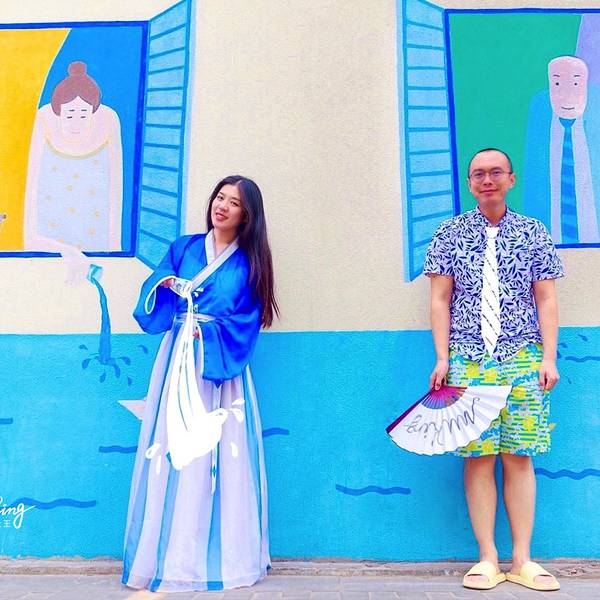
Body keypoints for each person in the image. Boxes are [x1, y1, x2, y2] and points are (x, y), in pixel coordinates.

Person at [123, 176, 277, 592]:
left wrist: (205, 334)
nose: (222, 206)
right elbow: (154, 292)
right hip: (177, 362)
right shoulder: (184, 248)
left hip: (220, 367)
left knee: (224, 455)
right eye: (219, 198)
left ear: (248, 215)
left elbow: (247, 321)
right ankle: (169, 556)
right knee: (173, 449)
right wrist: (164, 286)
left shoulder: (250, 264)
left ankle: (227, 557)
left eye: (234, 203)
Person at [424, 149, 563, 592]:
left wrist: (548, 357)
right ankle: (487, 557)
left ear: (510, 179)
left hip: (522, 358)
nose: (487, 180)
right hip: (469, 360)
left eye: (495, 172)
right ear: (469, 183)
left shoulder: (533, 233)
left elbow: (545, 298)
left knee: (519, 455)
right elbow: (440, 299)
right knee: (478, 457)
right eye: (479, 174)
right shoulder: (449, 234)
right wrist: (443, 358)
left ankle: (522, 559)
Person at [23, 60, 123, 253]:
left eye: (83, 115)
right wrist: (31, 241)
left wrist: (114, 246)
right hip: (50, 235)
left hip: (95, 235)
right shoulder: (43, 120)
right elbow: (32, 184)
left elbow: (115, 186)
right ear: (59, 113)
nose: (76, 123)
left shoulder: (109, 121)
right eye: (69, 115)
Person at [524, 55, 600, 244]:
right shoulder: (540, 131)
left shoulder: (594, 130)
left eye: (575, 84)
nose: (567, 95)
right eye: (557, 84)